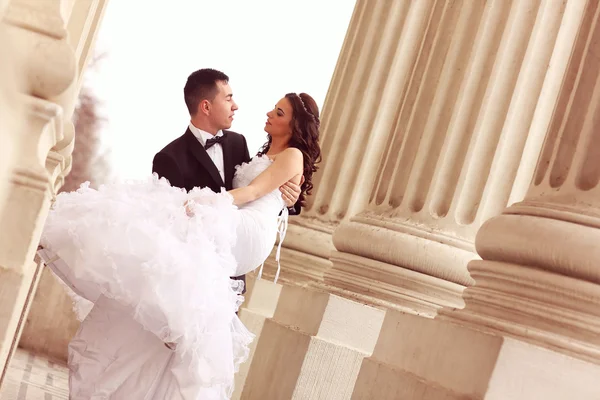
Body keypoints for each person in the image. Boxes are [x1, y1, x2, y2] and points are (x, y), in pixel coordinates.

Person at [38, 89, 322, 399]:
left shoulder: (289, 154)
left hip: (250, 231)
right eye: (274, 108)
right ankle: (171, 322)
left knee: (183, 216)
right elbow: (265, 189)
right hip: (234, 220)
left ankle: (175, 322)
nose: (269, 113)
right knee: (171, 219)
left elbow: (255, 193)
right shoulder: (244, 150)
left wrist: (209, 201)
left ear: (295, 127)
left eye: (279, 113)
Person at [152, 68, 303, 292]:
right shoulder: (169, 158)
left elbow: (259, 188)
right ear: (206, 106)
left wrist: (290, 201)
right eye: (229, 98)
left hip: (232, 272)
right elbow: (168, 220)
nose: (236, 106)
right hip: (189, 275)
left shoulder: (237, 143)